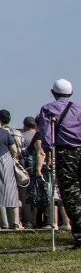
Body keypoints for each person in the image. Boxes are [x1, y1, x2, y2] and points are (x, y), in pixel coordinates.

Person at [35, 79, 81, 249]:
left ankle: (80, 236)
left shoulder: (49, 109)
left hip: (66, 153)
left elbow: (47, 135)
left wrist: (47, 151)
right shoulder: (79, 107)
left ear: (53, 92)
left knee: (70, 195)